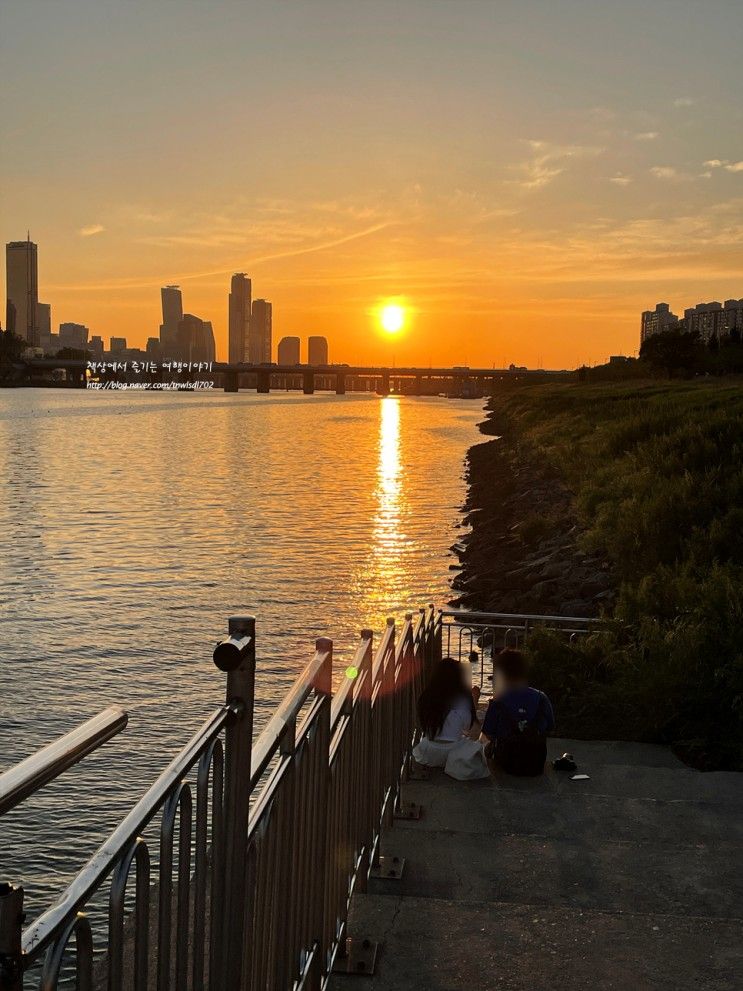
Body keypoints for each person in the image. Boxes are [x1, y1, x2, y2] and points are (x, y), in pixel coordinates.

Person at [480, 649, 555, 777]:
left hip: (507, 761)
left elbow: (489, 733)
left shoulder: (498, 701)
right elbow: (550, 727)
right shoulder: (541, 698)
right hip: (535, 761)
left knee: (483, 744)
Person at [413, 657, 489, 779]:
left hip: (428, 752)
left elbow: (423, 724)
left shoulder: (426, 697)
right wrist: (474, 700)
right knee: (479, 745)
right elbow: (470, 728)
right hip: (454, 753)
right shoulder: (463, 698)